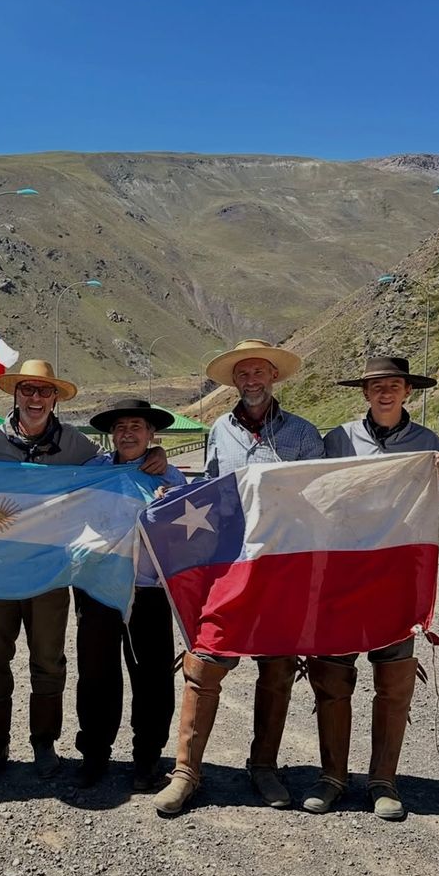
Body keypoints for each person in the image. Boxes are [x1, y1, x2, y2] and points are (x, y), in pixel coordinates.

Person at [0, 359, 169, 780]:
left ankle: (145, 757)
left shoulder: (88, 454)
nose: (36, 397)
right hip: (57, 580)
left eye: (138, 427)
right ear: (15, 393)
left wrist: (160, 458)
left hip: (140, 589)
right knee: (81, 671)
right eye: (28, 389)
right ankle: (76, 750)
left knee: (142, 674)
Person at [154, 339, 325, 818]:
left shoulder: (305, 436)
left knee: (277, 668)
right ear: (235, 381)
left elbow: (320, 499)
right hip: (229, 565)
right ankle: (186, 771)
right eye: (242, 375)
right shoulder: (217, 433)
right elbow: (209, 492)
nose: (251, 381)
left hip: (282, 567)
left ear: (273, 376)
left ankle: (264, 766)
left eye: (259, 373)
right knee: (205, 661)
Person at [305, 354, 439, 821]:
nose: (385, 392)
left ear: (407, 391)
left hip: (396, 575)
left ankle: (383, 780)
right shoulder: (337, 439)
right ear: (364, 392)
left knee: (393, 677)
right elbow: (312, 493)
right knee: (332, 676)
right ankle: (333, 776)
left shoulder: (427, 443)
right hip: (341, 571)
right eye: (376, 385)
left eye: (393, 384)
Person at [76, 398, 187, 790]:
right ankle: (94, 754)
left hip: (149, 590)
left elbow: (184, 537)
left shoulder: (171, 478)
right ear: (111, 433)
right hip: (99, 587)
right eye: (120, 427)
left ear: (151, 434)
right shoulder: (91, 473)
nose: (127, 433)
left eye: (136, 426)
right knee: (96, 673)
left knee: (153, 675)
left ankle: (147, 758)